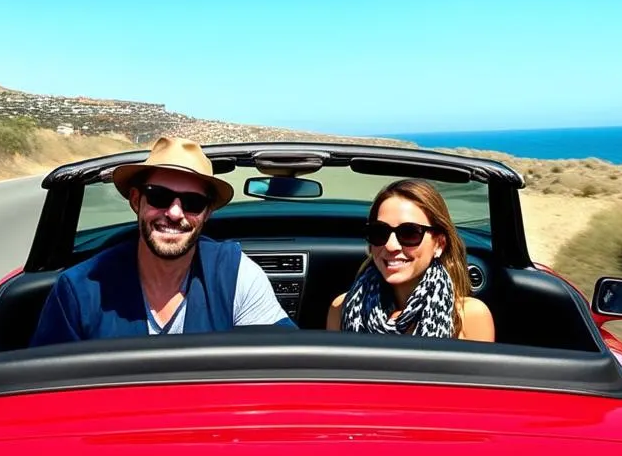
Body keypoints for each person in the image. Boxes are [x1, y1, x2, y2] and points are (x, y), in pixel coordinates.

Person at [31, 136, 296, 344]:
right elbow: (46, 388)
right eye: (159, 196)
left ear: (207, 214)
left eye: (193, 202)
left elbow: (281, 363)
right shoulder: (81, 289)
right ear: (136, 201)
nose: (175, 213)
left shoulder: (235, 274)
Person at [326, 179, 495, 341]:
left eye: (409, 233)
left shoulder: (469, 316)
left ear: (439, 244)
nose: (391, 246)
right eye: (379, 232)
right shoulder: (342, 307)